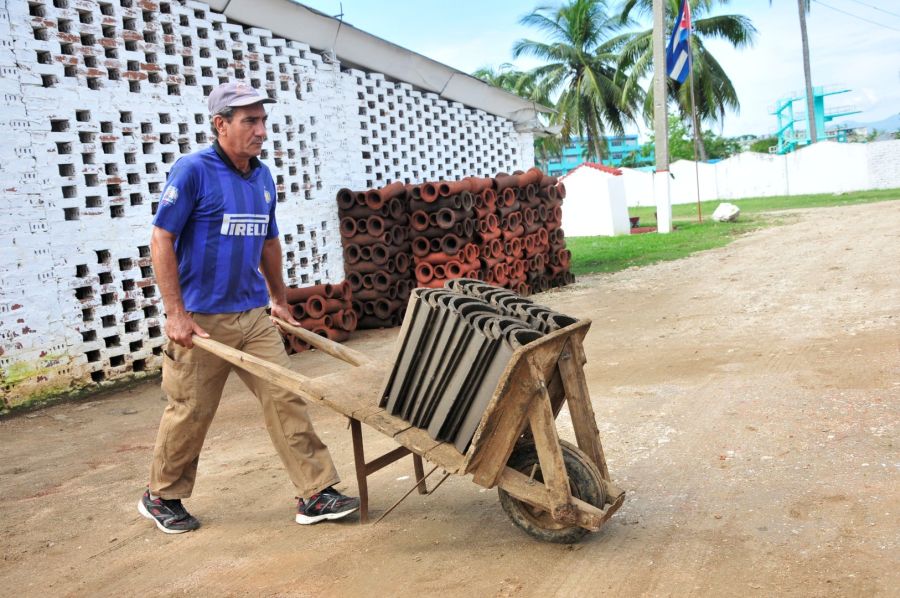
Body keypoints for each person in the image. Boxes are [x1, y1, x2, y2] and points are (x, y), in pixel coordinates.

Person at [137, 81, 358, 534]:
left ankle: (315, 493)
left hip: (253, 315)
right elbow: (162, 238)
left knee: (286, 396)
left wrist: (278, 297)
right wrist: (176, 314)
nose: (261, 130)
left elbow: (269, 241)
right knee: (191, 410)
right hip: (201, 321)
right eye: (249, 121)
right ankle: (162, 495)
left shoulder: (261, 177)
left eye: (263, 120)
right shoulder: (193, 171)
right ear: (221, 125)